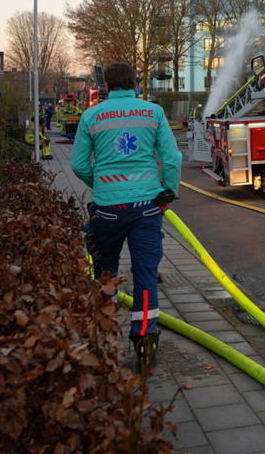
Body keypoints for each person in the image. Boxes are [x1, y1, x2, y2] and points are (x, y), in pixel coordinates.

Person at [71, 62, 182, 370]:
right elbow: (172, 158)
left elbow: (79, 164)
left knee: (104, 273)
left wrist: (103, 187)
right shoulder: (153, 112)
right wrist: (167, 193)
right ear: (135, 82)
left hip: (106, 209)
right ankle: (146, 341)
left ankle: (104, 337)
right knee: (146, 275)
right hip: (147, 207)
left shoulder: (91, 115)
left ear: (106, 84)